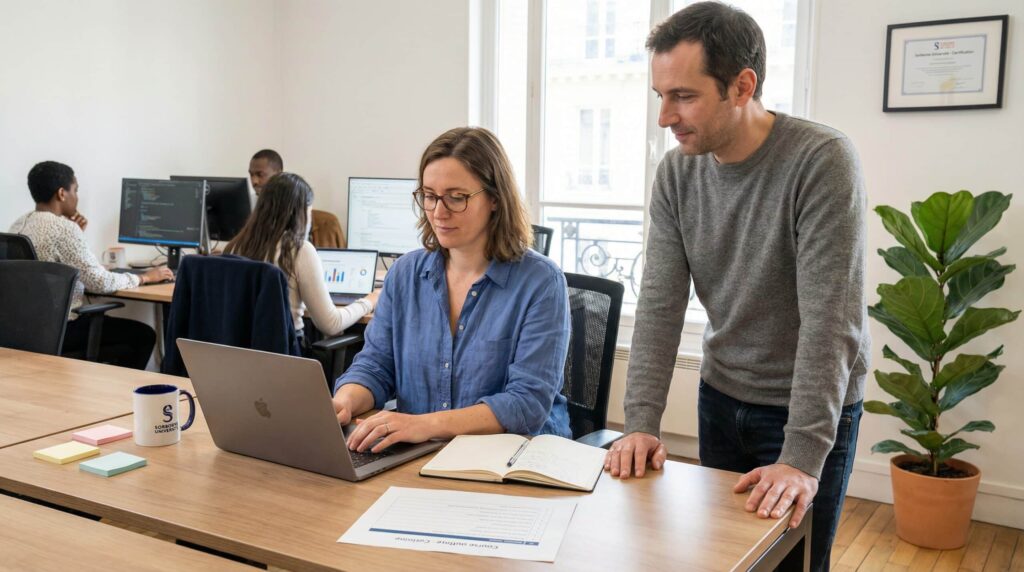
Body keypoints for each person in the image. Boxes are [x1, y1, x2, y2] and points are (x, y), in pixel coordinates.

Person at [603, 3, 869, 571]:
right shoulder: (677, 173)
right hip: (720, 396)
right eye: (660, 97)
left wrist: (799, 458)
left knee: (794, 565)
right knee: (718, 559)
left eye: (684, 96)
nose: (665, 118)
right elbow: (659, 304)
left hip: (805, 409)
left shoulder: (821, 161)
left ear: (742, 85)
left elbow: (831, 323)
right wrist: (642, 424)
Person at [332, 127, 571, 453]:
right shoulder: (404, 275)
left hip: (516, 461)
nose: (438, 212)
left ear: (495, 200)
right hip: (421, 456)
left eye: (456, 197)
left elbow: (526, 404)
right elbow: (375, 366)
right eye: (429, 196)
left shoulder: (541, 283)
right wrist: (344, 401)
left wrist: (422, 425)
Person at [9, 161, 173, 369]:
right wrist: (145, 277)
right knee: (144, 335)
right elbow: (99, 282)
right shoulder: (64, 229)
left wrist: (77, 234)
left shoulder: (19, 224)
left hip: (24, 330)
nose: (77, 197)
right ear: (62, 193)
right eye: (75, 190)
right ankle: (119, 399)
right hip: (62, 329)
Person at [224, 172, 377, 340]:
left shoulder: (234, 246)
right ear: (300, 213)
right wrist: (370, 301)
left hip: (237, 354)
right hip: (286, 358)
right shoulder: (299, 250)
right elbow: (331, 324)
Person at [248, 149, 346, 248]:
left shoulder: (326, 223)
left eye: (260, 175)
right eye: (251, 175)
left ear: (279, 174)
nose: (254, 181)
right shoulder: (250, 212)